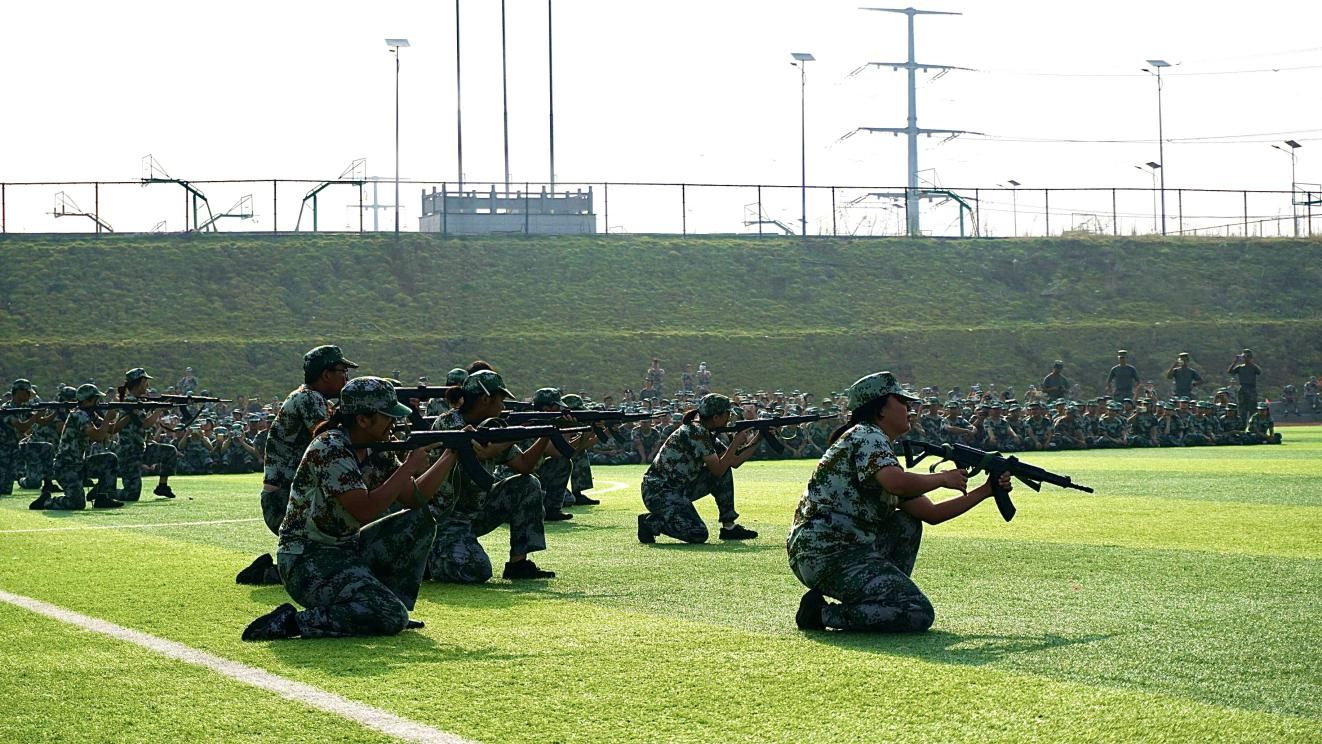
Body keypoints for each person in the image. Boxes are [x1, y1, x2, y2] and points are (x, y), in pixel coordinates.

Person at [787, 371, 1012, 632]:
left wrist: (986, 491)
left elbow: (931, 513)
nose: (910, 409)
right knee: (916, 611)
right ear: (880, 409)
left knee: (907, 523)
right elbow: (897, 483)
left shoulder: (871, 441)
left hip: (833, 550)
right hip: (828, 553)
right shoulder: (867, 435)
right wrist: (942, 479)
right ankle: (822, 615)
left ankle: (880, 600)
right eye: (902, 402)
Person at [242, 377, 458, 641]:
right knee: (390, 616)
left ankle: (384, 604)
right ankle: (295, 623)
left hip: (345, 550)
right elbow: (364, 510)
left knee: (418, 520)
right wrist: (409, 467)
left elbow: (414, 499)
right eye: (387, 416)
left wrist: (451, 455)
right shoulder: (329, 448)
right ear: (363, 420)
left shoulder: (376, 449)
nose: (394, 422)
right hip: (306, 558)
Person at [236, 345, 357, 586]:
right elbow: (327, 440)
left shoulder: (309, 397)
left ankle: (272, 571)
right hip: (285, 501)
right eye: (343, 371)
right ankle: (270, 573)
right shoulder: (309, 399)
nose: (347, 378)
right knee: (336, 565)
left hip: (287, 497)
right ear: (326, 374)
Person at [427, 370, 560, 582]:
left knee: (527, 484)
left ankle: (518, 564)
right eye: (500, 400)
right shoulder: (448, 423)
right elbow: (478, 451)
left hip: (476, 513)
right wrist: (513, 436)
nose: (503, 407)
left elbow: (524, 466)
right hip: (444, 520)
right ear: (485, 399)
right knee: (476, 570)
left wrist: (545, 433)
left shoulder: (491, 429)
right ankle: (427, 558)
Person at [637, 393, 761, 544]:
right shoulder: (696, 433)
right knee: (698, 533)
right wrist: (735, 443)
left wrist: (759, 437)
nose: (729, 418)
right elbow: (718, 469)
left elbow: (734, 462)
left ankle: (729, 527)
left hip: (679, 488)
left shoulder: (704, 433)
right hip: (659, 492)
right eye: (727, 414)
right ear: (716, 417)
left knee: (724, 471)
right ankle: (650, 522)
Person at [31, 384, 121, 510]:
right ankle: (47, 501)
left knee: (109, 459)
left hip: (79, 464)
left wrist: (128, 415)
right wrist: (107, 418)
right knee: (76, 503)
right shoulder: (78, 415)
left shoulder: (89, 414)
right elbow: (98, 436)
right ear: (88, 400)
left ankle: (102, 497)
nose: (98, 403)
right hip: (66, 466)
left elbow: (111, 429)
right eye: (96, 399)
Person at [110, 368, 179, 501]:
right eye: (145, 382)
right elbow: (145, 424)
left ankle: (162, 486)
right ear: (140, 382)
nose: (147, 385)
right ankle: (106, 491)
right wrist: (158, 410)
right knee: (131, 495)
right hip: (129, 453)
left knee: (169, 451)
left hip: (141, 449)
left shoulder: (138, 401)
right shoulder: (131, 402)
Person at [2, 379, 58, 497]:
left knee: (47, 447)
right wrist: (35, 416)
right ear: (19, 392)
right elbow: (22, 427)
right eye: (27, 392)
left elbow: (42, 422)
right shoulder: (7, 409)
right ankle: (22, 479)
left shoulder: (23, 407)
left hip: (17, 447)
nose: (29, 395)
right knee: (4, 489)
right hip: (4, 450)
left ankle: (48, 482)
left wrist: (55, 412)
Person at [1227, 348, 1262, 415]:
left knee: (1252, 408)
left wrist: (1250, 362)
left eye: (1247, 357)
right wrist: (1235, 362)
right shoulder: (1240, 367)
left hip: (1251, 388)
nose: (1245, 358)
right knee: (1242, 408)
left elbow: (1259, 372)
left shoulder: (1253, 367)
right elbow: (1230, 371)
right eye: (1244, 357)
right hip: (1242, 388)